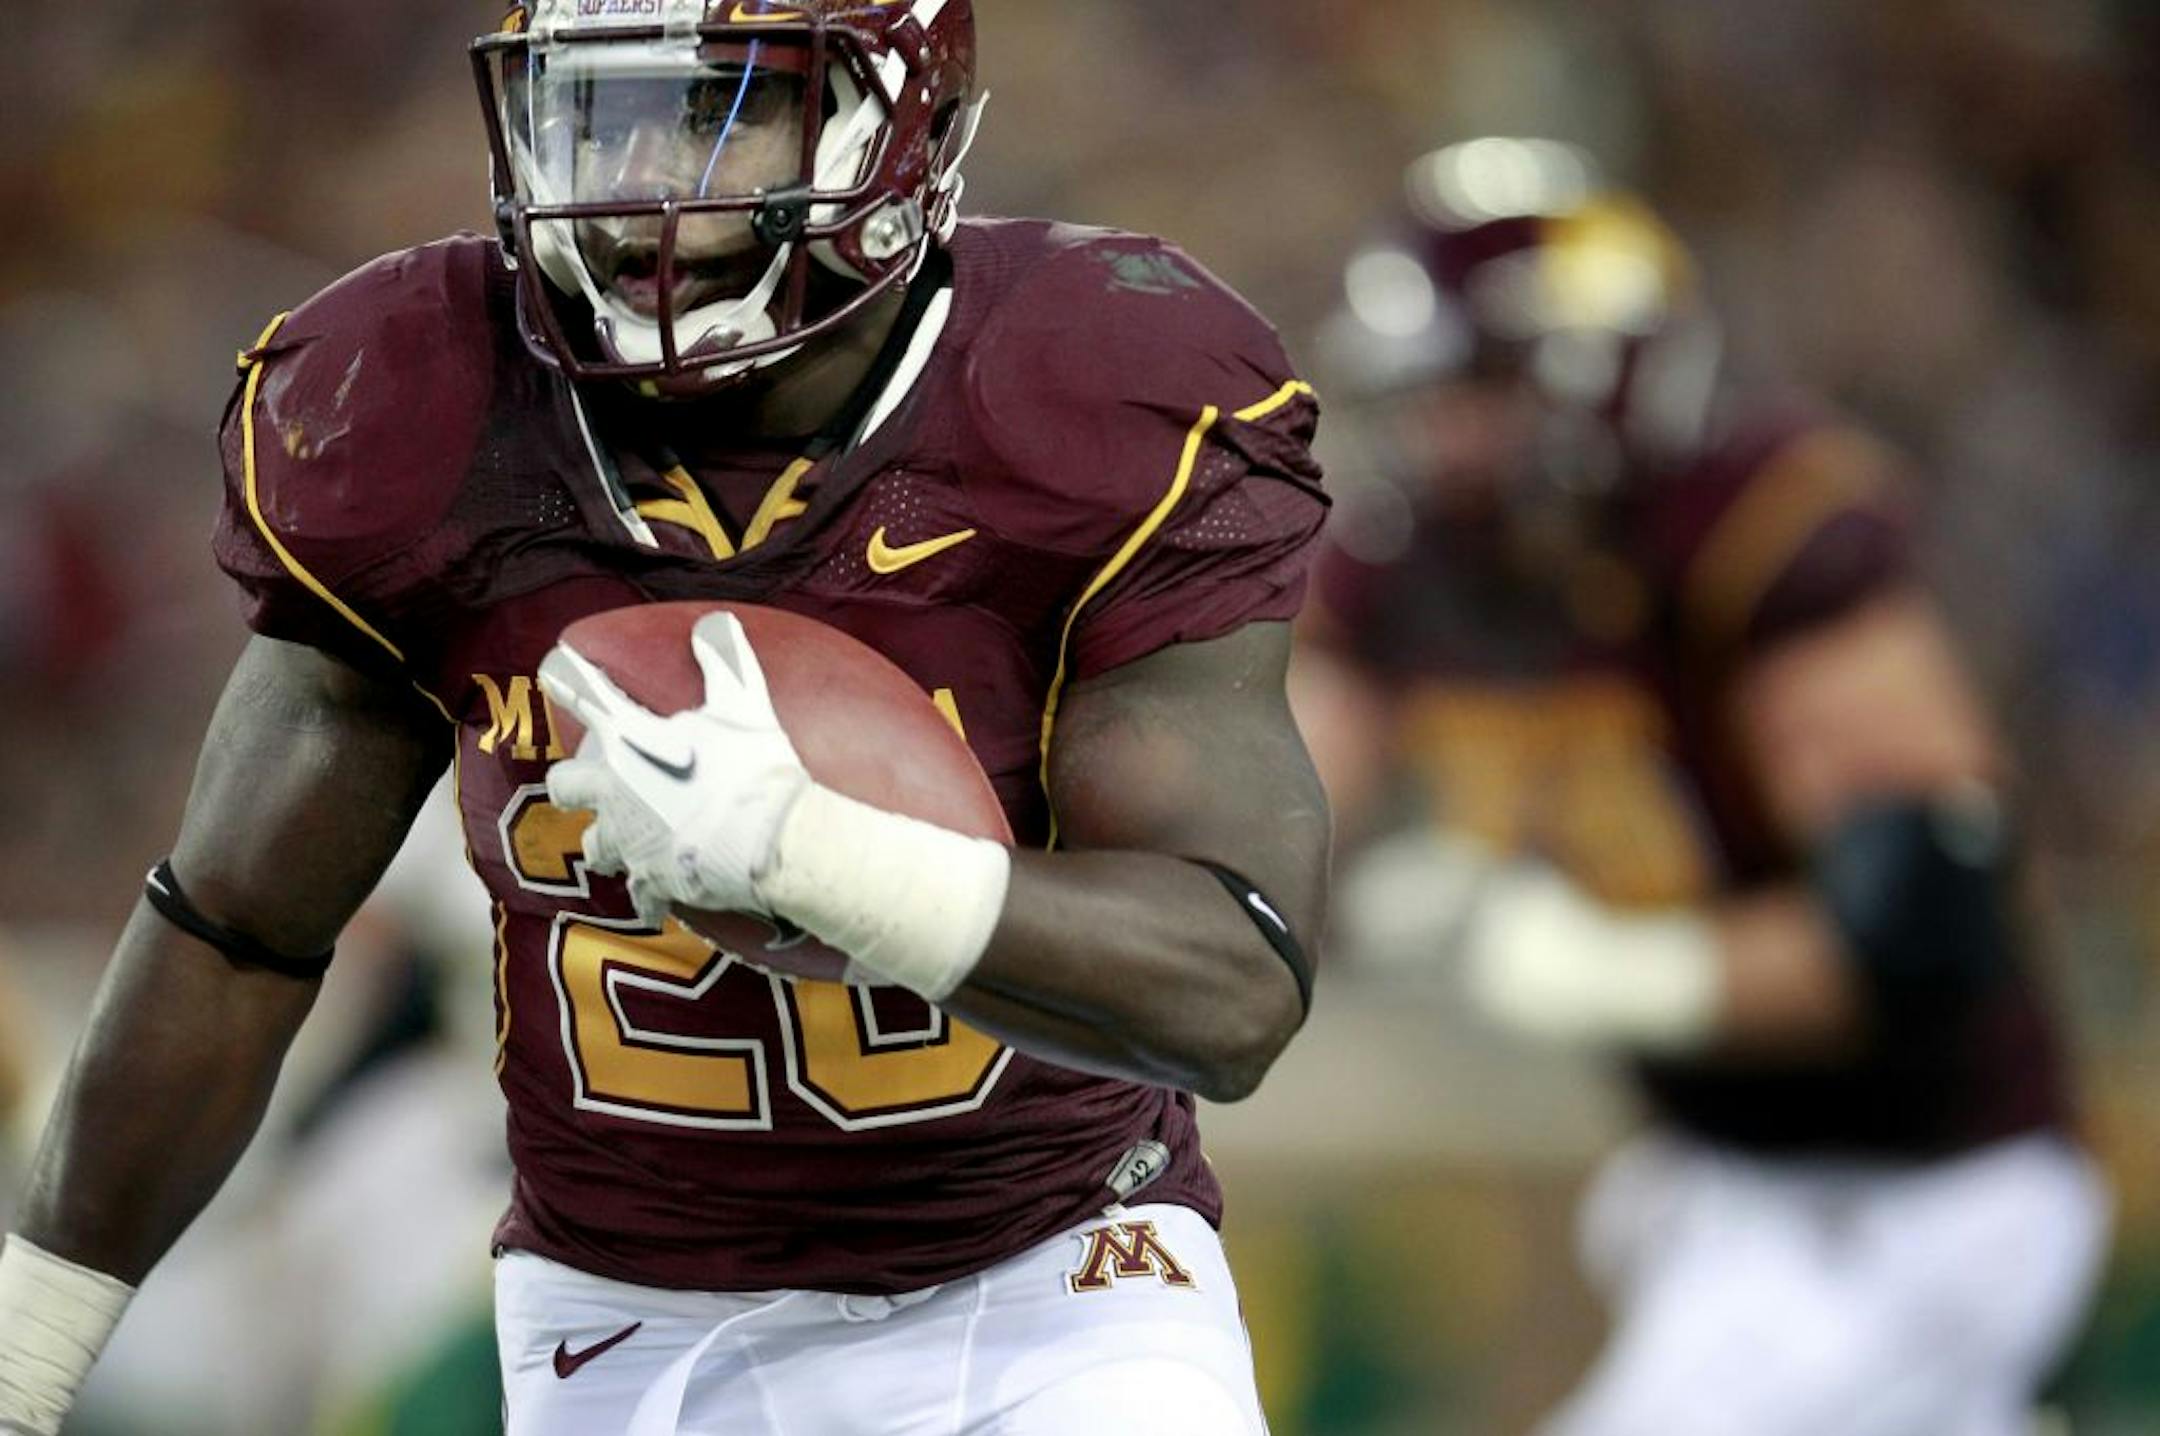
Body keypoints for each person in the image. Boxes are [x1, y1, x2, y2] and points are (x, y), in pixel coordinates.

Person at [0, 3, 1333, 1432]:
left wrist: (814, 856)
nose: (639, 174)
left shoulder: (1090, 391)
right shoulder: (413, 402)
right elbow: (236, 931)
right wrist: (30, 1349)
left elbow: (1233, 987)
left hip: (1054, 1287)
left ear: (901, 118)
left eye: (717, 109)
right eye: (600, 110)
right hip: (619, 1321)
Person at [1304, 138, 2108, 1436]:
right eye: (1427, 396)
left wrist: (1612, 971)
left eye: (1486, 389)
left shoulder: (1755, 534)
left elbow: (1927, 927)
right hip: (1717, 1183)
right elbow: (1263, 838)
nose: (1443, 439)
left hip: (1937, 1187)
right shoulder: (1415, 573)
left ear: (1603, 370)